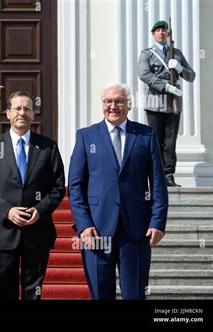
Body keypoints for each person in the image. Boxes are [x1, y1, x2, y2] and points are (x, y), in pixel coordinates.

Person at [68, 83, 168, 300]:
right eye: (108, 102)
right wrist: (84, 225)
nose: (113, 106)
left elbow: (158, 183)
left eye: (119, 101)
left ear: (128, 105)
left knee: (134, 295)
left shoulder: (146, 135)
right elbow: (75, 185)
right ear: (102, 104)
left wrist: (157, 221)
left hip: (136, 230)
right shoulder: (86, 136)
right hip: (96, 230)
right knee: (100, 295)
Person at [0, 91, 65, 300]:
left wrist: (40, 210)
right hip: (3, 233)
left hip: (38, 232)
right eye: (17, 108)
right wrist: (7, 211)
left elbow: (58, 187)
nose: (22, 113)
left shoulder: (48, 147)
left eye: (27, 109)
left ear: (33, 114)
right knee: (4, 292)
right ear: (8, 113)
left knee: (33, 293)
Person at [138, 20, 196, 187]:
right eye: (158, 30)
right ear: (153, 34)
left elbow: (191, 76)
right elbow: (144, 74)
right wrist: (165, 86)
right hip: (155, 103)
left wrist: (179, 69)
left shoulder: (176, 53)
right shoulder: (147, 54)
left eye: (164, 30)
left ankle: (168, 175)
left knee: (170, 142)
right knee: (156, 140)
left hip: (173, 104)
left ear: (168, 34)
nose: (161, 33)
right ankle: (155, 176)